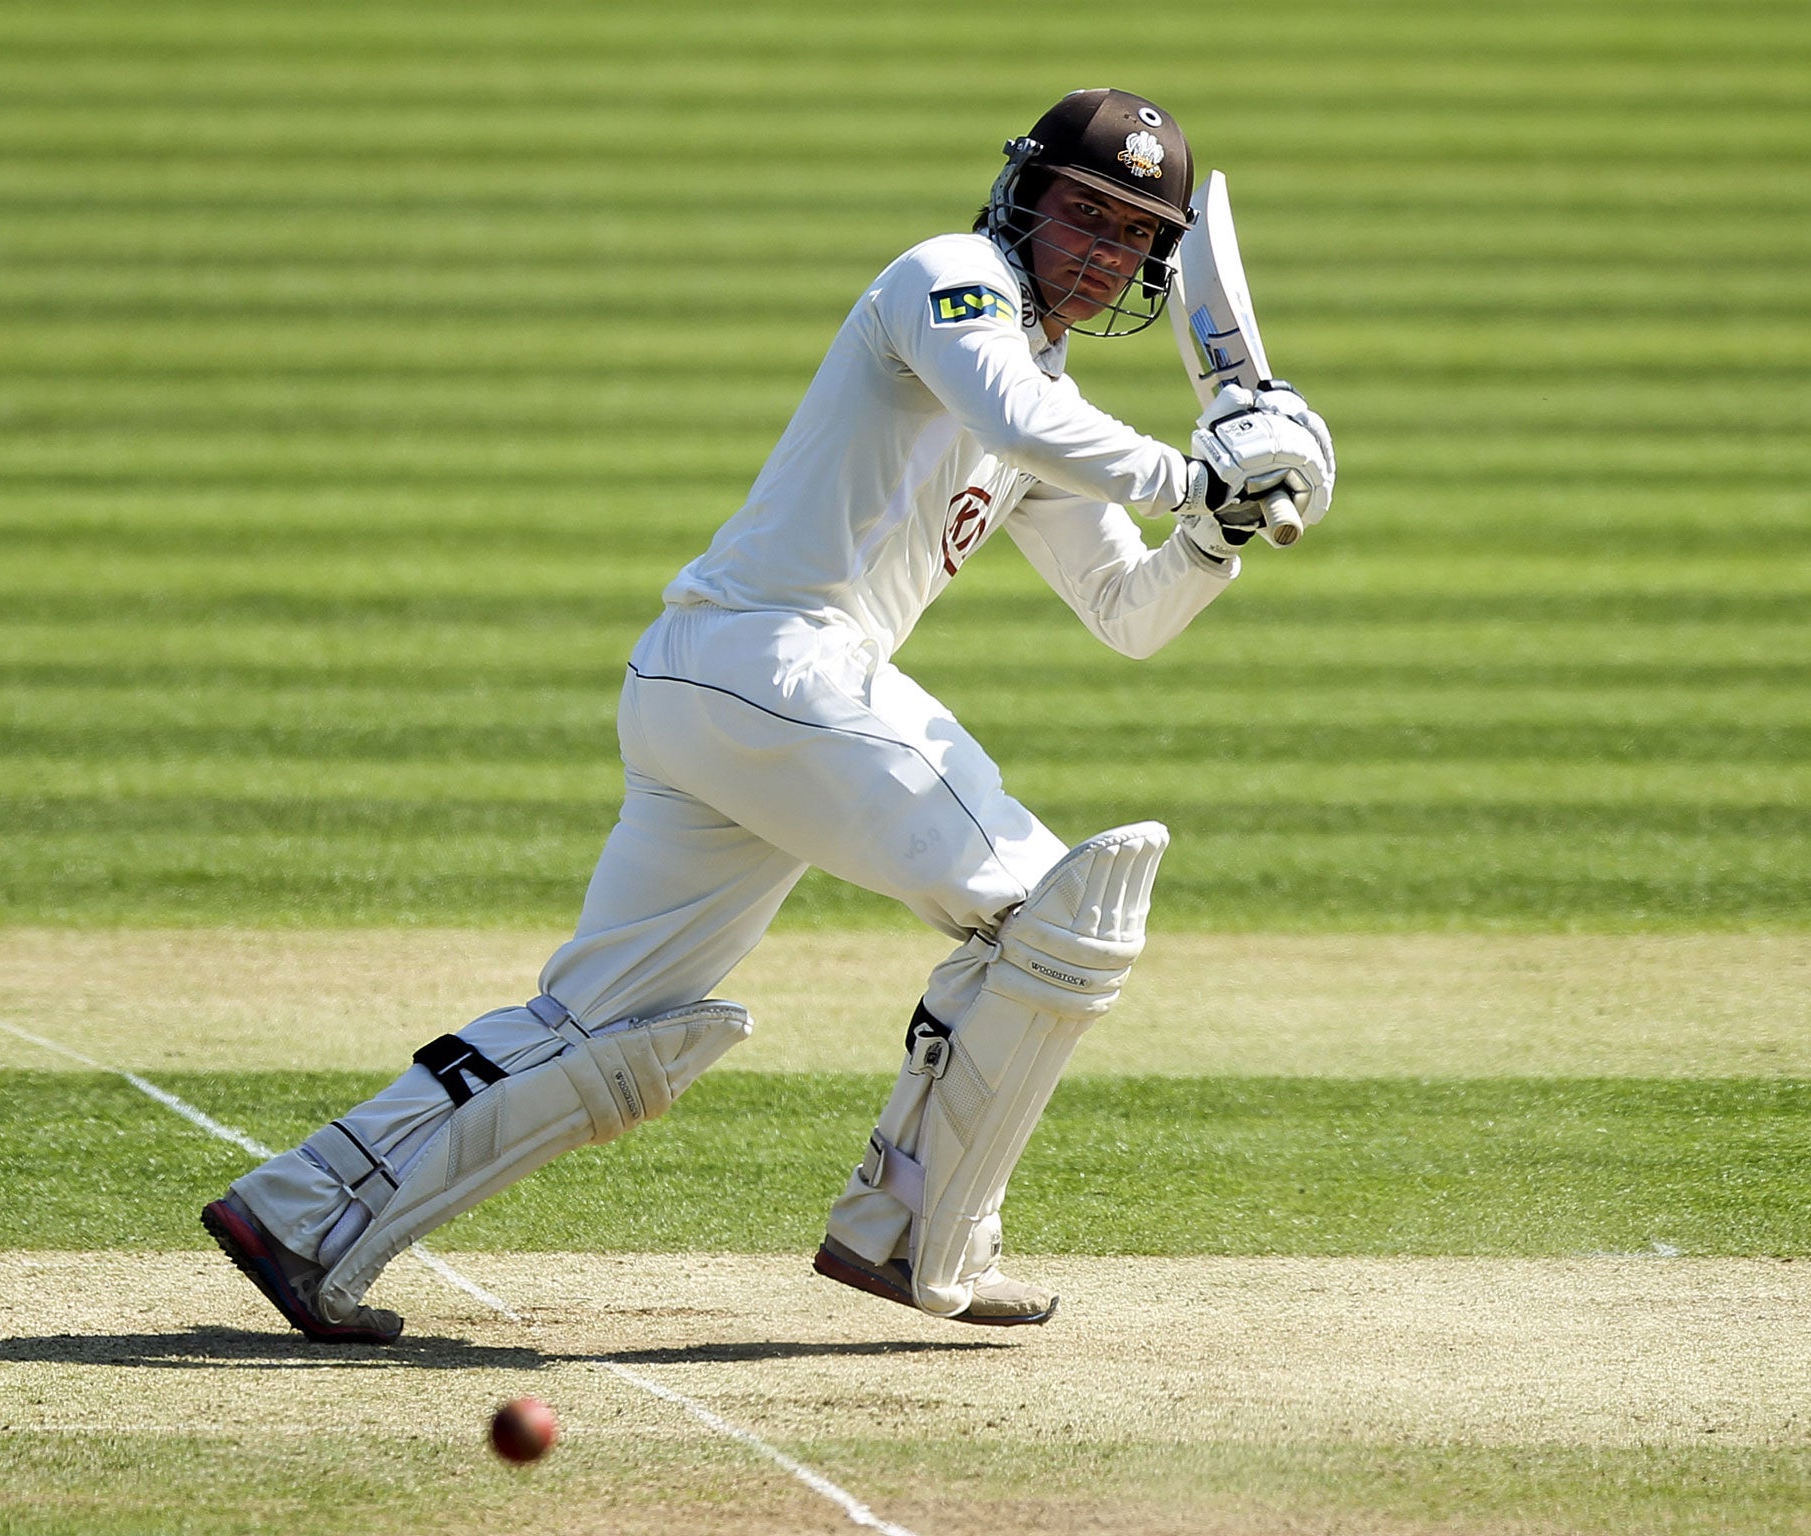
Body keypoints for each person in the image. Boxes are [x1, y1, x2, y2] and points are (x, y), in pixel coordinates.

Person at [202, 88, 1335, 1342]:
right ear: (1024, 195)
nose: (1099, 250)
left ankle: (303, 1213)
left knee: (605, 1025)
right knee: (1055, 918)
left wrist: (1217, 529)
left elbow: (1129, 610)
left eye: (1130, 236)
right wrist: (1199, 463)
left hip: (725, 694)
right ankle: (911, 1234)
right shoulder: (948, 278)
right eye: (1082, 212)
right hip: (775, 662)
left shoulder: (1045, 391)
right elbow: (1015, 419)